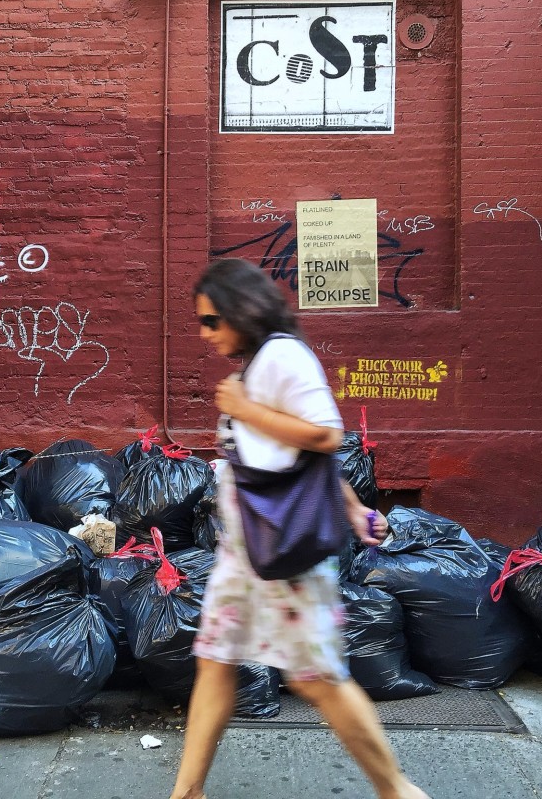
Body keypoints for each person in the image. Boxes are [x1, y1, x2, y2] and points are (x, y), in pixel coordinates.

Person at [169, 258, 430, 799]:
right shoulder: (257, 365)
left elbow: (325, 436)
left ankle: (398, 790)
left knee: (315, 678)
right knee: (215, 660)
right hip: (246, 552)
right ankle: (186, 793)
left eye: (212, 320)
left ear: (244, 311)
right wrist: (353, 504)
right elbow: (297, 462)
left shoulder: (284, 356)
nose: (205, 333)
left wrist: (246, 408)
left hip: (283, 554)